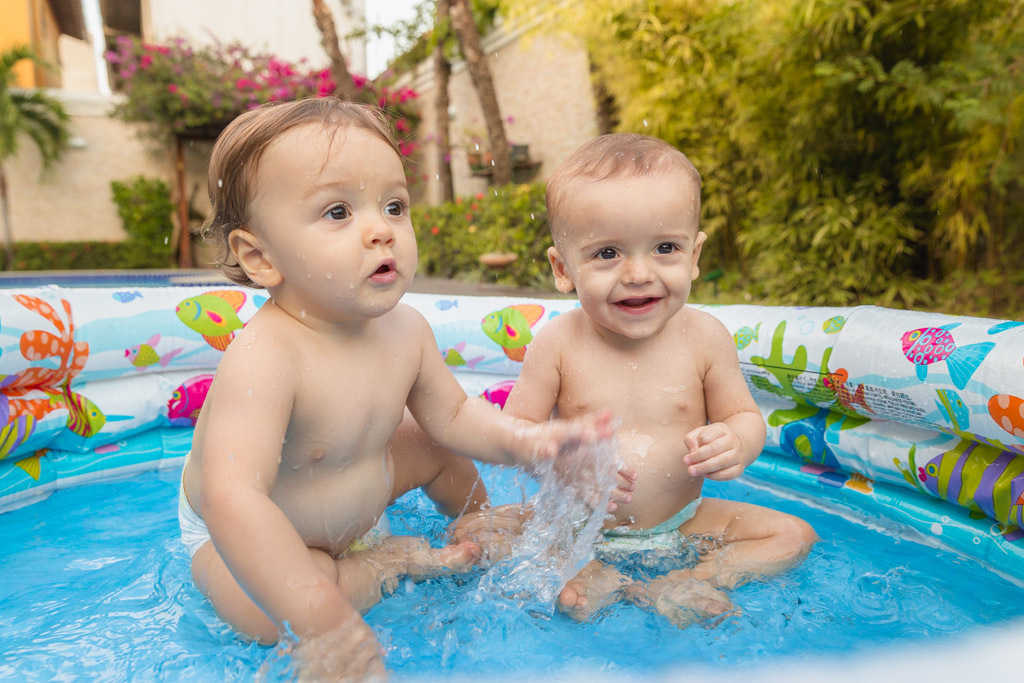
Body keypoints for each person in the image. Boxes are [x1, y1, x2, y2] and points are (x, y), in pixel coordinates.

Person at [179, 97, 613, 679]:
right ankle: (383, 565)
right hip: (254, 532)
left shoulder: (405, 330)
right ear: (259, 256)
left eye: (393, 205)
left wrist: (529, 439)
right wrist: (321, 619)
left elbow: (456, 416)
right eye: (338, 211)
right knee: (265, 618)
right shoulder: (265, 357)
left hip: (362, 488)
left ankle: (476, 523)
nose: (381, 229)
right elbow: (232, 500)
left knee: (437, 444)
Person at [454, 133, 818, 627]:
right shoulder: (558, 344)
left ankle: (696, 578)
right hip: (577, 523)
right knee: (472, 531)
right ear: (564, 269)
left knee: (794, 535)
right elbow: (513, 434)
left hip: (682, 522)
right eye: (607, 253)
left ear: (694, 256)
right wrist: (564, 466)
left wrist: (736, 442)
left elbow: (743, 415)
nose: (639, 273)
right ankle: (595, 569)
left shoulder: (705, 338)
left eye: (665, 248)